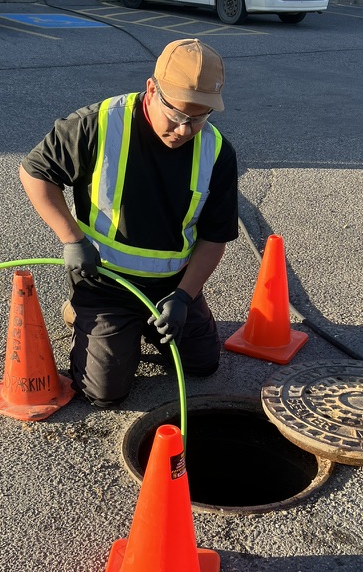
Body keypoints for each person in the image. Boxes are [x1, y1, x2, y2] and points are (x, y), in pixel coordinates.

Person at [19, 38, 239, 408]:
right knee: (104, 393)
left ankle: (140, 325)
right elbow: (35, 174)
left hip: (170, 287)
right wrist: (72, 239)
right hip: (106, 281)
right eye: (178, 116)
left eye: (199, 117)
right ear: (152, 89)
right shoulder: (98, 124)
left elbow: (215, 239)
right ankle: (82, 313)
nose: (185, 130)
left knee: (203, 365)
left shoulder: (217, 151)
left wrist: (184, 297)